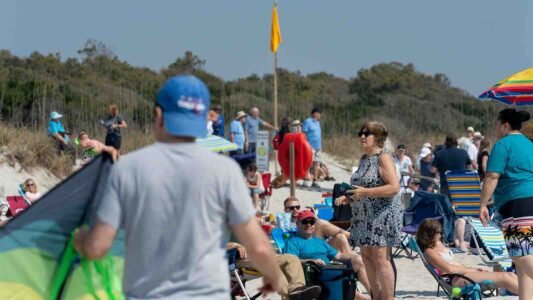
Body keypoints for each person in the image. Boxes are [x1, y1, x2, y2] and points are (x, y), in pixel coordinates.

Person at [73, 75, 287, 299]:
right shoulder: (225, 171)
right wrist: (274, 276)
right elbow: (258, 246)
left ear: (158, 116)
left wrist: (79, 237)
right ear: (204, 119)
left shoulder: (127, 169)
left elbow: (96, 247)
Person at [335, 121, 402, 300]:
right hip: (363, 215)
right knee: (366, 256)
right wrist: (349, 197)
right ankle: (376, 296)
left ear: (378, 138)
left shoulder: (383, 157)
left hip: (382, 214)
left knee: (380, 258)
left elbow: (394, 187)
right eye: (361, 133)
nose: (362, 137)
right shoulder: (364, 159)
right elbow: (362, 187)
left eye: (367, 134)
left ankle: (387, 298)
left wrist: (365, 192)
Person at [480, 108, 533, 299]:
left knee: (520, 254)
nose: (495, 127)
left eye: (496, 123)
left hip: (516, 205)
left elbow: (492, 176)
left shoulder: (503, 144)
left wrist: (483, 204)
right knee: (522, 262)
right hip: (530, 202)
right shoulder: (530, 144)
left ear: (505, 125)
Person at [416, 219, 519, 295]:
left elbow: (453, 263)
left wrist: (469, 269)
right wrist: (471, 269)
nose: (441, 234)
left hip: (463, 273)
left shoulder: (437, 243)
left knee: (510, 274)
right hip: (456, 280)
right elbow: (448, 269)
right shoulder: (429, 251)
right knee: (505, 278)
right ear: (430, 234)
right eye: (438, 232)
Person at [285, 210, 371, 300]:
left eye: (312, 222)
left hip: (329, 270)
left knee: (358, 260)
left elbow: (338, 256)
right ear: (297, 223)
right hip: (314, 275)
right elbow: (291, 262)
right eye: (305, 222)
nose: (309, 224)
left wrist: (355, 258)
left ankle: (373, 294)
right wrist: (310, 261)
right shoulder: (292, 242)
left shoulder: (319, 241)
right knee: (341, 277)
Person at [226, 241, 321, 300]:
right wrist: (236, 245)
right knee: (290, 259)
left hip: (254, 257)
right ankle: (297, 289)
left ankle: (294, 293)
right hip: (236, 259)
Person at [431, 133, 472, 251]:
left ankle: (447, 240)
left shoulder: (440, 153)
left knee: (446, 213)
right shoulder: (463, 153)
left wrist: (440, 169)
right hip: (460, 186)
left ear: (446, 142)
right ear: (456, 142)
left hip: (446, 186)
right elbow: (470, 168)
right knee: (460, 215)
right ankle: (461, 243)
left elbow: (433, 169)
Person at [284, 197, 351, 254]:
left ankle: (352, 264)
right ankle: (352, 236)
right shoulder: (283, 222)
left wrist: (312, 219)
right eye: (291, 208)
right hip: (305, 249)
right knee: (320, 223)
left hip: (318, 246)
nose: (295, 210)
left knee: (341, 237)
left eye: (297, 207)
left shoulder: (306, 219)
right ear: (285, 209)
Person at [303, 108, 323, 188]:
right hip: (309, 146)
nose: (320, 115)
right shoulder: (307, 121)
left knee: (316, 163)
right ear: (315, 113)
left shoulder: (318, 123)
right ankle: (306, 179)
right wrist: (306, 144)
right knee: (308, 163)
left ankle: (315, 180)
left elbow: (318, 135)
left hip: (318, 147)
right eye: (319, 113)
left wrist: (320, 146)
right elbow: (303, 133)